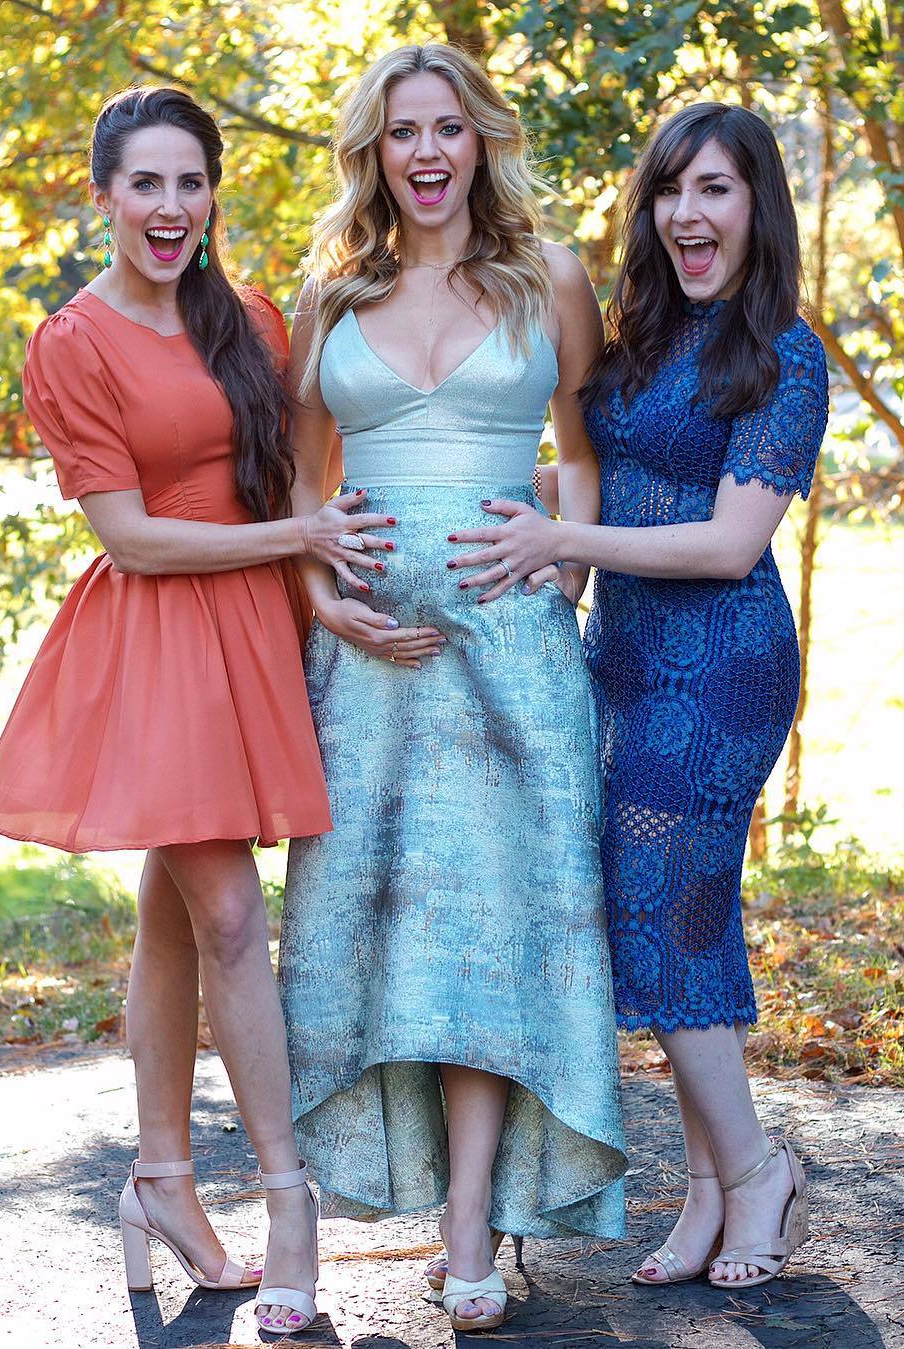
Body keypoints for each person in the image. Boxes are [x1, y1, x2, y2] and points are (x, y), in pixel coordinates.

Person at [0, 86, 394, 1335]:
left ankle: (159, 1176)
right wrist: (296, 538)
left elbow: (316, 454)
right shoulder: (73, 343)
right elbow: (133, 539)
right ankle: (287, 1193)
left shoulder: (247, 316)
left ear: (212, 193)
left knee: (176, 899)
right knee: (230, 912)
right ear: (102, 192)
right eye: (145, 183)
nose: (169, 207)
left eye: (189, 182)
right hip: (160, 638)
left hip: (256, 627)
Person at [277, 43, 628, 1334]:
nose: (425, 152)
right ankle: (365, 1205)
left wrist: (563, 572)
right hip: (369, 669)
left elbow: (581, 454)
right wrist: (322, 596)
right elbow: (300, 477)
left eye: (446, 128)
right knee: (384, 933)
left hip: (511, 658)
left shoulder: (551, 279)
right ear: (373, 152)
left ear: (480, 139)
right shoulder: (332, 292)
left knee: (492, 933)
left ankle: (471, 1218)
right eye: (400, 131)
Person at [447, 102, 828, 1290]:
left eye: (715, 189)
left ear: (758, 207)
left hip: (722, 666)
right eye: (671, 190)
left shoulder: (784, 353)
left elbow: (728, 542)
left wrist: (566, 537)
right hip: (622, 655)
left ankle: (758, 1169)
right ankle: (712, 1187)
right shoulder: (639, 331)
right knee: (684, 912)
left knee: (660, 904)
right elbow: (594, 466)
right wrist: (479, 487)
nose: (688, 214)